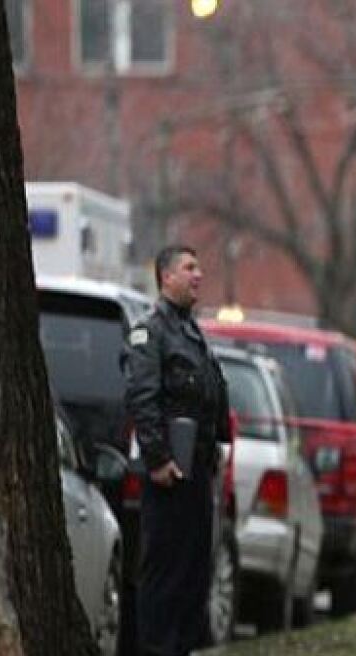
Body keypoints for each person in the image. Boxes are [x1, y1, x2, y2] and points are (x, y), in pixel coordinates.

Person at [124, 245, 230, 656]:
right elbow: (142, 397)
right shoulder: (151, 331)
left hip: (196, 473)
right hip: (169, 474)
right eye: (189, 268)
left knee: (193, 575)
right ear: (166, 277)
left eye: (199, 267)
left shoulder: (191, 332)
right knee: (164, 574)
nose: (198, 275)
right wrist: (158, 459)